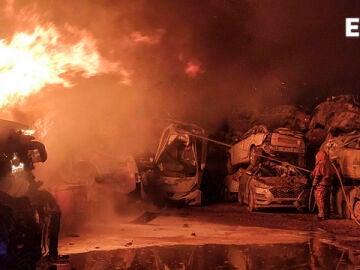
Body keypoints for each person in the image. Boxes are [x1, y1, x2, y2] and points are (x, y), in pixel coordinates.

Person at [312, 150, 334, 220]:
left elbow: (317, 176)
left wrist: (314, 184)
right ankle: (327, 214)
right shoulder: (330, 164)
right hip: (328, 185)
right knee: (327, 200)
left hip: (321, 186)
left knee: (320, 200)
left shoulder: (320, 164)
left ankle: (322, 215)